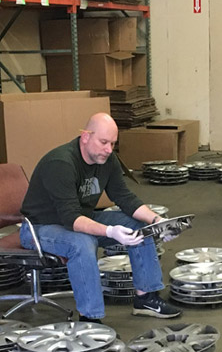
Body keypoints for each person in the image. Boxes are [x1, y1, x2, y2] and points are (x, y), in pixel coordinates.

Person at [20, 112, 182, 324]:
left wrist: (157, 221)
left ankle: (146, 299)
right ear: (85, 137)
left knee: (137, 225)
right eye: (103, 142)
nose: (108, 149)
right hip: (39, 228)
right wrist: (110, 231)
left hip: (80, 218)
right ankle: (90, 319)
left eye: (113, 144)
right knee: (83, 242)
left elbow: (125, 198)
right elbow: (72, 220)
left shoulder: (107, 160)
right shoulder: (60, 163)